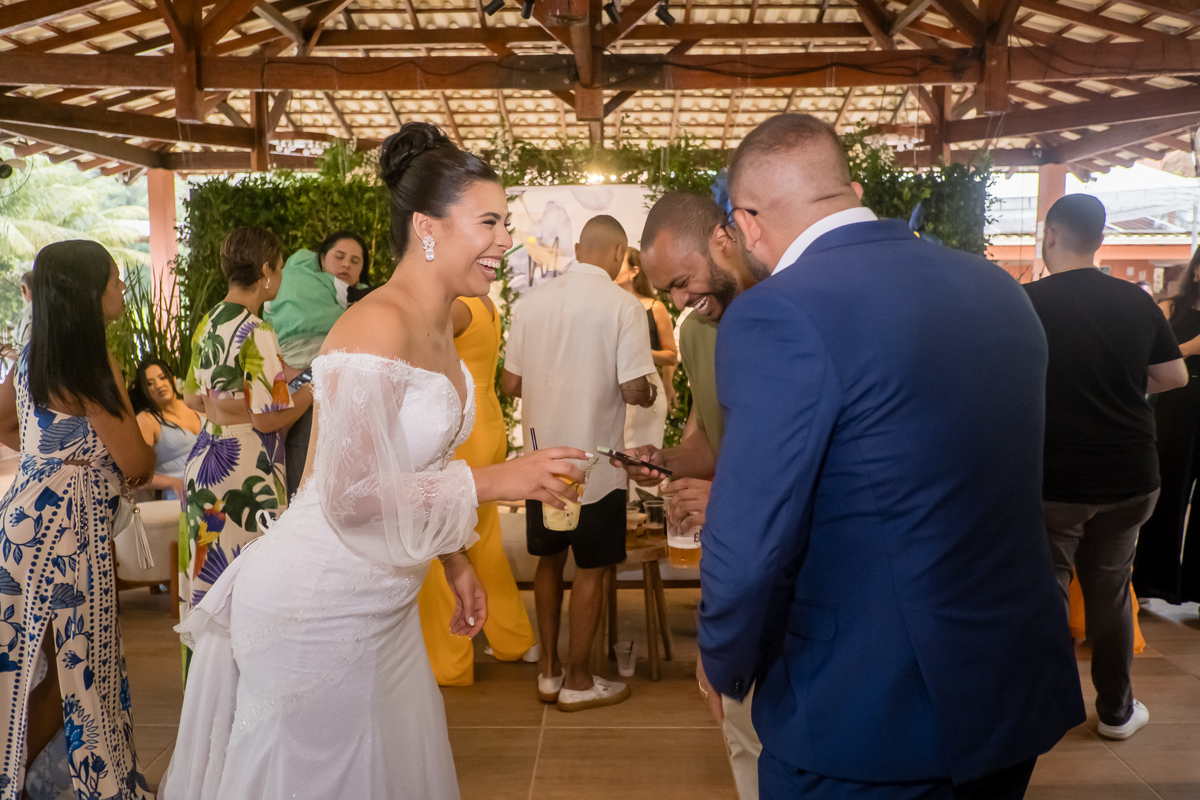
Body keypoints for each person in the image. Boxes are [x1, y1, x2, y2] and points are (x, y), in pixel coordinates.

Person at [160, 121, 589, 800]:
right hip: (317, 607)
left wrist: (453, 558)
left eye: (505, 224)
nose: (505, 240)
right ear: (427, 227)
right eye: (490, 222)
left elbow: (413, 462)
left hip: (382, 608)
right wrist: (498, 480)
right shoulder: (376, 324)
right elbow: (348, 493)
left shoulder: (442, 322)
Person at [699, 114, 1085, 799]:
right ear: (850, 192)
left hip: (868, 709)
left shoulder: (777, 312)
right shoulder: (997, 287)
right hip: (1010, 682)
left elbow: (751, 536)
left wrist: (721, 658)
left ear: (748, 222)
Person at [613, 191, 763, 799]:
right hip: (734, 560)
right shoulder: (697, 330)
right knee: (737, 723)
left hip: (786, 558)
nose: (678, 300)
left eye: (682, 282)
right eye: (667, 290)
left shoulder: (788, 315)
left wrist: (725, 504)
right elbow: (708, 437)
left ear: (723, 241)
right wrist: (667, 461)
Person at [1025, 193, 1187, 742]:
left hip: (1053, 477)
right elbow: (1173, 377)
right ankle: (1117, 713)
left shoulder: (1026, 301)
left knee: (1047, 589)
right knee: (1111, 589)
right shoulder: (1135, 302)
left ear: (1050, 236)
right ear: (1099, 241)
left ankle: (1041, 713)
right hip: (1130, 475)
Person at [0, 240, 157, 800]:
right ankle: (16, 780)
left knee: (36, 665)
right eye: (114, 279)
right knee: (77, 665)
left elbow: (4, 423)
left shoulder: (31, 356)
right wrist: (90, 464)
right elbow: (136, 461)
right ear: (89, 292)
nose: (122, 288)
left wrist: (51, 457)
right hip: (68, 527)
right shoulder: (91, 364)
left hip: (22, 518)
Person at [501, 215, 657, 712]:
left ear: (575, 247)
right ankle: (580, 679)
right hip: (596, 466)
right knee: (592, 568)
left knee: (548, 560)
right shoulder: (623, 306)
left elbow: (510, 384)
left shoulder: (530, 304)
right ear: (619, 255)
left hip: (542, 461)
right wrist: (650, 390)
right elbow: (633, 388)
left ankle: (549, 673)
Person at [180, 226, 314, 624]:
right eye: (280, 267)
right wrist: (313, 390)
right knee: (249, 587)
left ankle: (205, 667)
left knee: (209, 582)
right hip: (244, 467)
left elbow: (193, 399)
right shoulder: (257, 330)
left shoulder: (208, 321)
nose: (281, 275)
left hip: (205, 460)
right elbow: (267, 418)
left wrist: (229, 404)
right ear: (266, 270)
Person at [417, 292, 539, 686]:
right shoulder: (484, 304)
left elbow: (416, 349)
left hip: (462, 429)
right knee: (482, 541)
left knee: (439, 543)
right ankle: (515, 640)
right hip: (485, 422)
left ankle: (450, 662)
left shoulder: (456, 306)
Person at [267, 231, 373, 500]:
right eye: (340, 257)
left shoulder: (368, 304)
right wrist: (305, 375)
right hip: (296, 388)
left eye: (355, 261)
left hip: (345, 404)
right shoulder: (293, 286)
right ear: (322, 259)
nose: (346, 264)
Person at [1134, 248, 1200, 606]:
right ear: (1197, 271)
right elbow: (1150, 358)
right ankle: (1151, 583)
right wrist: (1191, 347)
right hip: (1176, 408)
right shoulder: (1170, 308)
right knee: (1169, 493)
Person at [616, 247, 678, 461]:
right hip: (614, 394)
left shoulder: (654, 307)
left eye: (620, 262)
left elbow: (671, 355)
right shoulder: (608, 307)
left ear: (634, 271)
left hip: (647, 392)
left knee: (643, 458)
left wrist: (642, 354)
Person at [130, 357, 204, 503]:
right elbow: (134, 475)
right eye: (150, 383)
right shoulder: (147, 420)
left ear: (173, 379)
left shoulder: (193, 404)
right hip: (179, 499)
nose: (159, 385)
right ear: (145, 390)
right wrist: (171, 482)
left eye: (162, 377)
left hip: (216, 487)